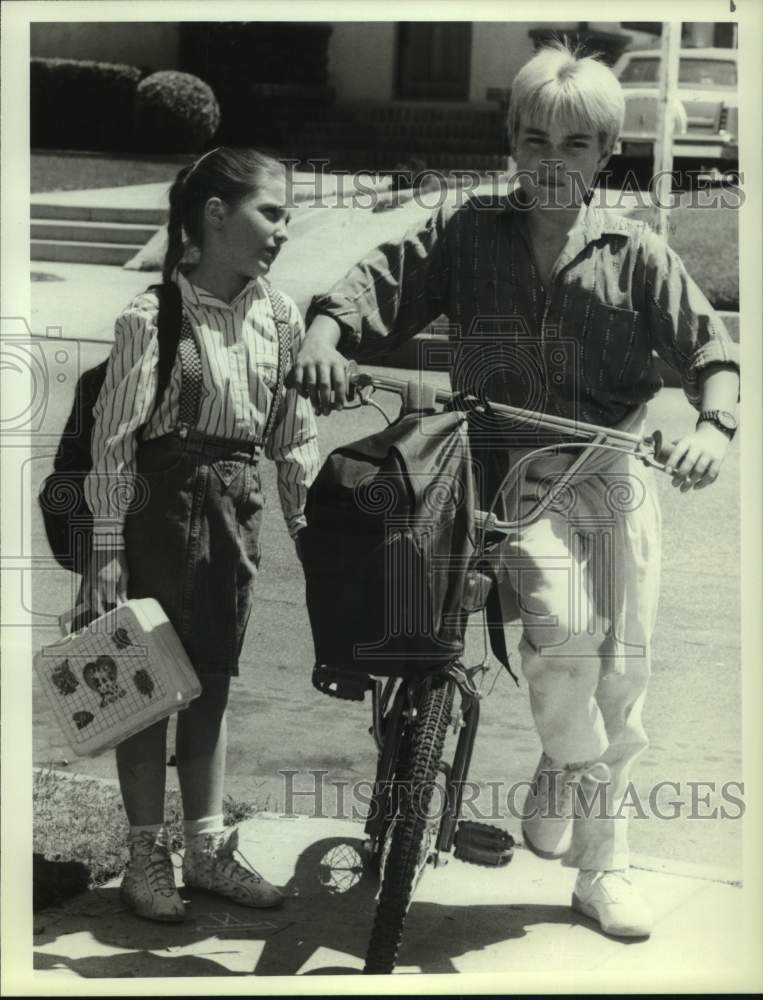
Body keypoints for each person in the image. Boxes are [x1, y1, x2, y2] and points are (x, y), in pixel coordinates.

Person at [290, 44, 740, 939]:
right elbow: (377, 283)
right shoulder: (467, 232)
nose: (550, 160)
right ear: (511, 141)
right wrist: (324, 337)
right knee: (561, 630)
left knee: (623, 672)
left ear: (603, 153)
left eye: (574, 144)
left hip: (608, 475)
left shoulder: (635, 252)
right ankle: (573, 760)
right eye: (534, 139)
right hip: (498, 478)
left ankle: (601, 867)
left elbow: (709, 353)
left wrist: (712, 428)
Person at [84, 147, 320, 923]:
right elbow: (113, 444)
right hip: (156, 516)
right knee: (146, 690)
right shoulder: (153, 317)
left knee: (212, 682)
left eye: (286, 216)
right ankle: (145, 857)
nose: (282, 230)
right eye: (271, 213)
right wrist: (106, 556)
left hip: (232, 518)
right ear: (216, 214)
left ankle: (208, 850)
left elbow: (293, 436)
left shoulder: (280, 319)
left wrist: (309, 528)